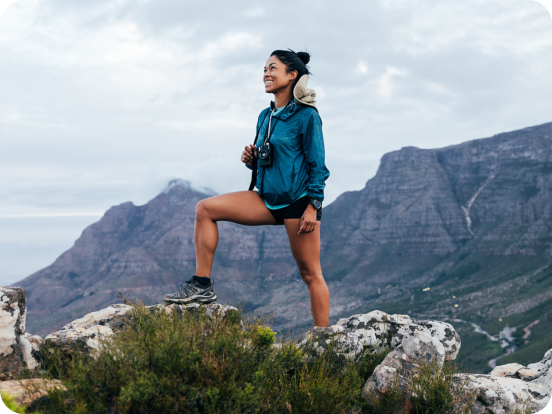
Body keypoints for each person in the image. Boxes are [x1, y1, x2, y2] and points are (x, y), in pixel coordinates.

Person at [164, 49, 331, 327]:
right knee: (205, 209)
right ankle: (202, 285)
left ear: (292, 75)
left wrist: (313, 206)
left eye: (273, 68)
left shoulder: (307, 116)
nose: (266, 73)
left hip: (298, 202)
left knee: (310, 272)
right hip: (266, 198)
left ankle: (324, 340)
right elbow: (272, 160)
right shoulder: (265, 115)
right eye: (264, 69)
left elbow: (317, 164)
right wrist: (252, 161)